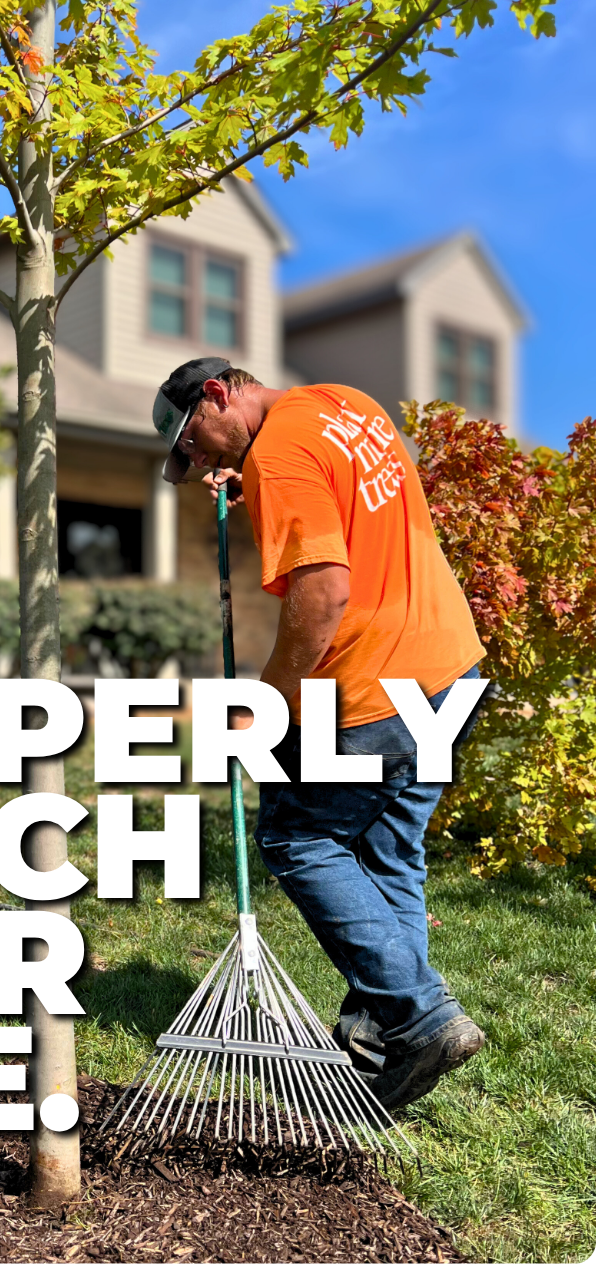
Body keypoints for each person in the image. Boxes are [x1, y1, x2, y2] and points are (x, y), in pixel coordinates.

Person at [152, 355, 487, 1110]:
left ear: (217, 392)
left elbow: (326, 591)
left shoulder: (279, 457)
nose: (198, 458)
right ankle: (384, 1038)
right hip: (446, 667)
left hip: (375, 688)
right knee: (386, 847)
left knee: (298, 837)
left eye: (194, 440)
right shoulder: (340, 402)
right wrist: (260, 484)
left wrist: (267, 706)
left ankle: (421, 1015)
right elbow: (360, 501)